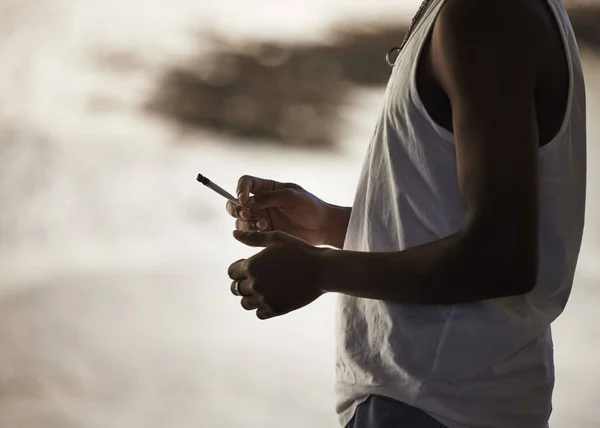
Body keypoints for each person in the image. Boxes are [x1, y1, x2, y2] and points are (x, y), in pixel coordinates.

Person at [226, 0, 587, 426]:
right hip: (434, 401)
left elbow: (503, 258)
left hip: (434, 405)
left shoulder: (486, 15)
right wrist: (330, 224)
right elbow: (459, 228)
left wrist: (321, 271)